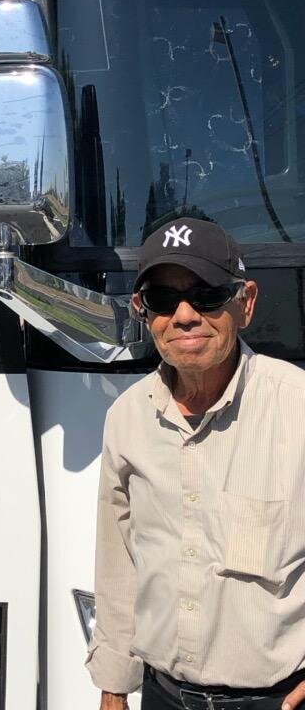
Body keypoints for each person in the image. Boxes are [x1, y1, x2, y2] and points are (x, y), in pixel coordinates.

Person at [86, 217, 305, 710]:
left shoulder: (298, 407)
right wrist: (115, 686)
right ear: (144, 312)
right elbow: (118, 562)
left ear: (244, 302)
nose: (183, 315)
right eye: (163, 299)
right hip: (162, 696)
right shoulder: (127, 418)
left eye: (206, 294)